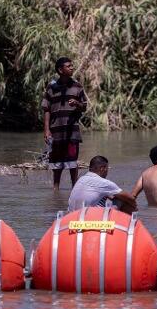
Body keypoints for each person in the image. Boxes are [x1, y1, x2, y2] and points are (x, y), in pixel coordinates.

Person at [42, 57, 88, 190]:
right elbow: (46, 109)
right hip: (55, 131)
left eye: (72, 65)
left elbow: (84, 107)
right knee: (56, 164)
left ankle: (75, 189)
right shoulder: (52, 87)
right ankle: (55, 190)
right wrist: (46, 130)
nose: (72, 68)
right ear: (60, 70)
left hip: (72, 131)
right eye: (68, 66)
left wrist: (77, 103)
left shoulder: (77, 86)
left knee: (72, 164)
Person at [68, 156, 138, 213]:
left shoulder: (81, 179)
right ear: (102, 169)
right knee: (121, 200)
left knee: (111, 196)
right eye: (107, 169)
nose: (107, 171)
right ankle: (129, 224)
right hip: (89, 219)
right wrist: (134, 207)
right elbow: (130, 198)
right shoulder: (104, 183)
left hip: (72, 216)